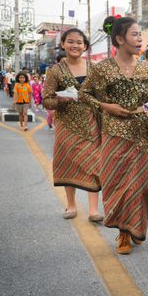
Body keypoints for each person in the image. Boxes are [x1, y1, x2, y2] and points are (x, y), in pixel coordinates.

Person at [79, 16, 148, 255]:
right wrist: (105, 106)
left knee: (147, 184)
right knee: (118, 184)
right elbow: (84, 94)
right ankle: (123, 231)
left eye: (140, 35)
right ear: (120, 39)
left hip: (143, 132)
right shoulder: (102, 68)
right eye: (135, 34)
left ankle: (137, 226)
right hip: (114, 132)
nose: (140, 39)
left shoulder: (146, 68)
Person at [42, 28, 103, 222]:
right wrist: (62, 99)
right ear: (63, 44)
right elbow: (47, 101)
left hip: (92, 123)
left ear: (85, 46)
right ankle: (71, 205)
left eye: (79, 42)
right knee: (69, 164)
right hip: (67, 125)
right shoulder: (55, 71)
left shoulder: (95, 69)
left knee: (94, 164)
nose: (75, 45)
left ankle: (93, 210)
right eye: (70, 41)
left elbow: (102, 96)